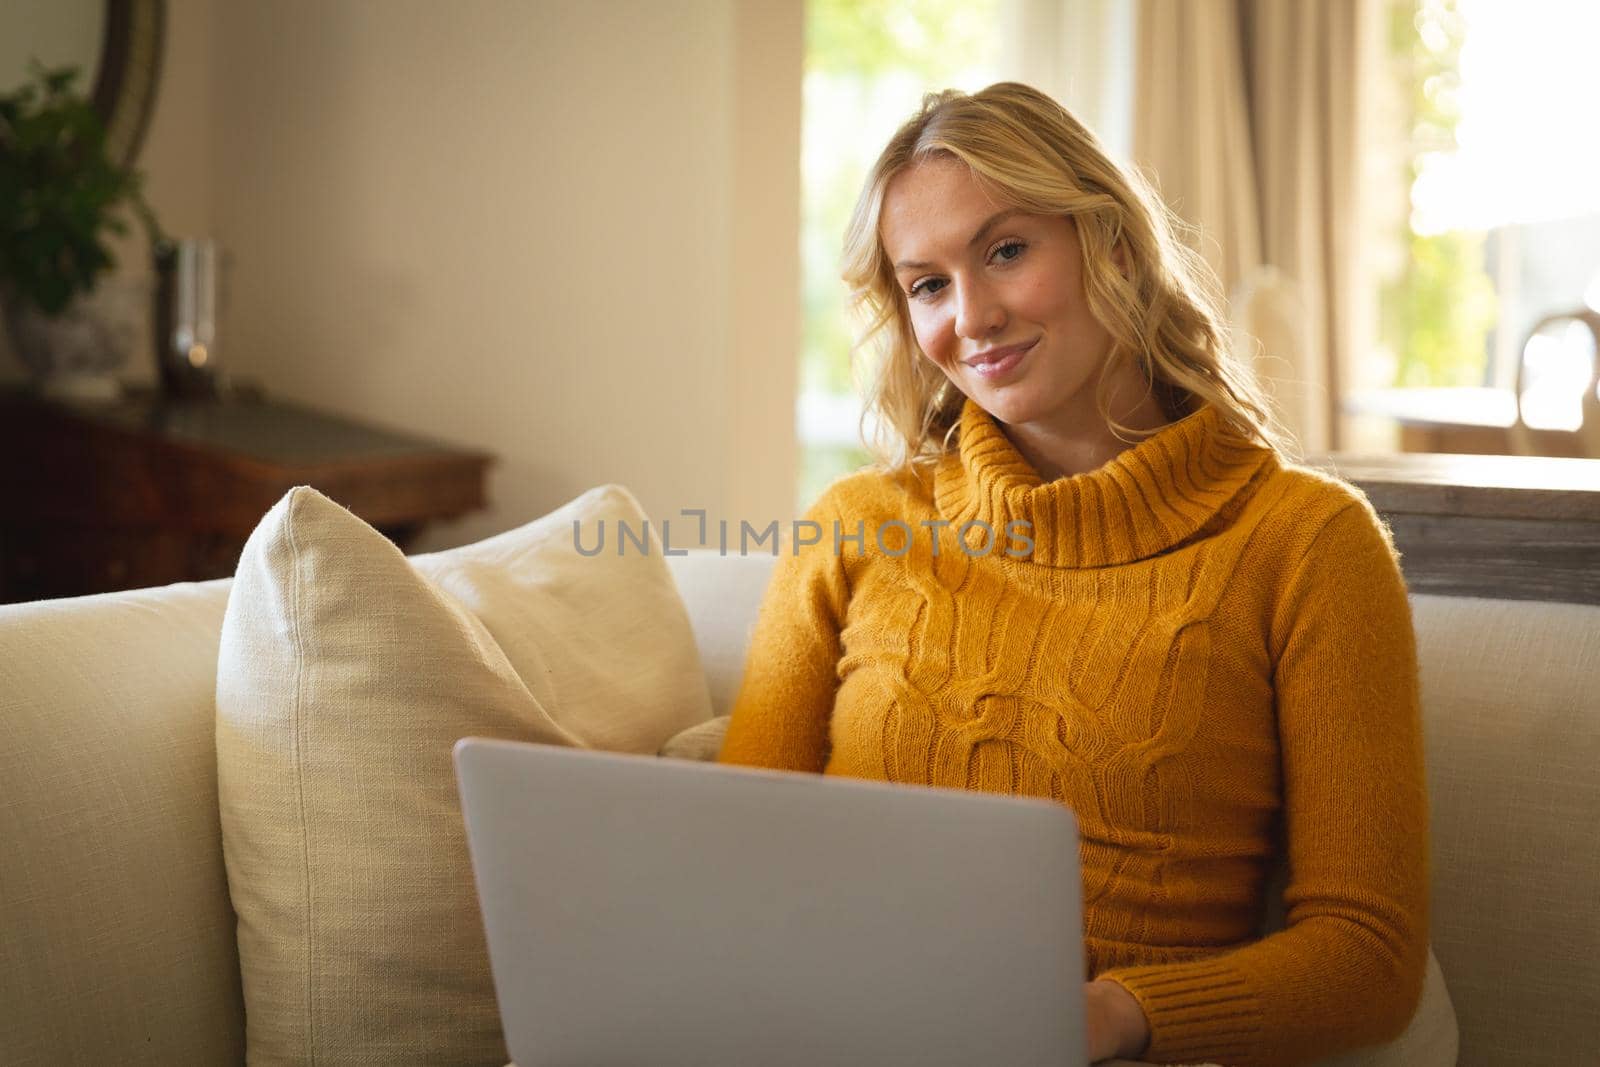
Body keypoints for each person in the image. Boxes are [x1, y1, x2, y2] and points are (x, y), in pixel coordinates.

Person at [717, 82, 1428, 1066]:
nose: (971, 315)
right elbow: (731, 860)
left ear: (1116, 247)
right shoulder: (854, 526)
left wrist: (1118, 1013)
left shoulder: (1306, 544)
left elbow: (1368, 955)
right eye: (926, 283)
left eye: (1005, 250)